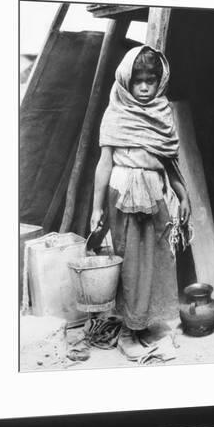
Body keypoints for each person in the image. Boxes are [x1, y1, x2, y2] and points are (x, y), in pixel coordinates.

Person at [90, 44, 191, 360]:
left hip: (155, 195)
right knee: (131, 262)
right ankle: (129, 328)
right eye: (138, 80)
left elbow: (168, 163)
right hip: (125, 196)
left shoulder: (162, 114)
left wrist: (183, 194)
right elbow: (104, 163)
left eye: (151, 79)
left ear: (160, 81)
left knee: (158, 259)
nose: (145, 86)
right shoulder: (116, 112)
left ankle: (145, 323)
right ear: (126, 80)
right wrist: (95, 207)